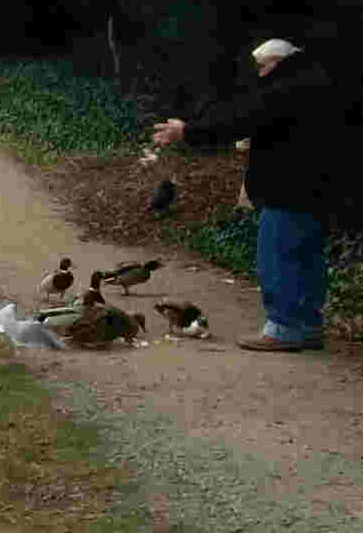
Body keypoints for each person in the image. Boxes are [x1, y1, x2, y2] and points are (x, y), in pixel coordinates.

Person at [149, 37, 352, 352]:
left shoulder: (285, 89)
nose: (259, 74)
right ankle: (307, 325)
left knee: (278, 258)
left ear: (277, 63)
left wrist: (187, 131)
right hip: (318, 189)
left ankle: (283, 328)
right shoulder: (316, 83)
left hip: (288, 189)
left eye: (262, 67)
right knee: (307, 259)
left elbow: (238, 119)